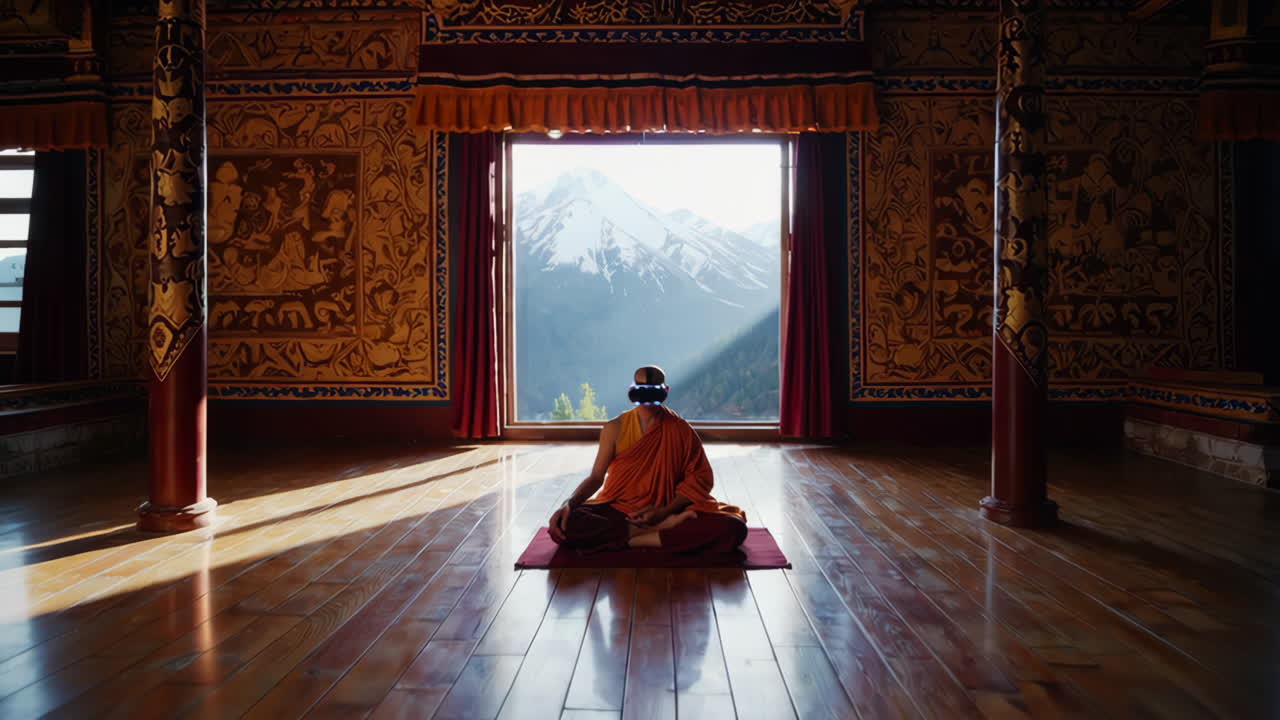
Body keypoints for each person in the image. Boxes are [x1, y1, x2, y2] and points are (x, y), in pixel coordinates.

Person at [548, 365, 748, 557]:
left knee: (733, 528)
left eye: (653, 392)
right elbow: (596, 478)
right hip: (621, 509)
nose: (647, 399)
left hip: (669, 509)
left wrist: (663, 512)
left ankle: (632, 539)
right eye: (642, 391)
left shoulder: (680, 429)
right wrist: (569, 504)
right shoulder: (615, 428)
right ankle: (656, 533)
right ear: (632, 390)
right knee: (567, 525)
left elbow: (700, 478)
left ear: (665, 391)